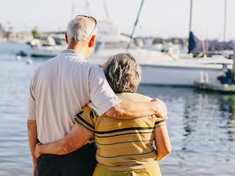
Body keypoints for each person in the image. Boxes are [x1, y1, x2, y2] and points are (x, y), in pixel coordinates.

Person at [26, 15, 167, 176]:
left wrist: (36, 159)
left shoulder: (39, 71)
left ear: (66, 38)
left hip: (47, 158)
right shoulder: (92, 71)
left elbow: (31, 123)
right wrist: (154, 106)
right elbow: (115, 110)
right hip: (81, 160)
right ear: (92, 40)